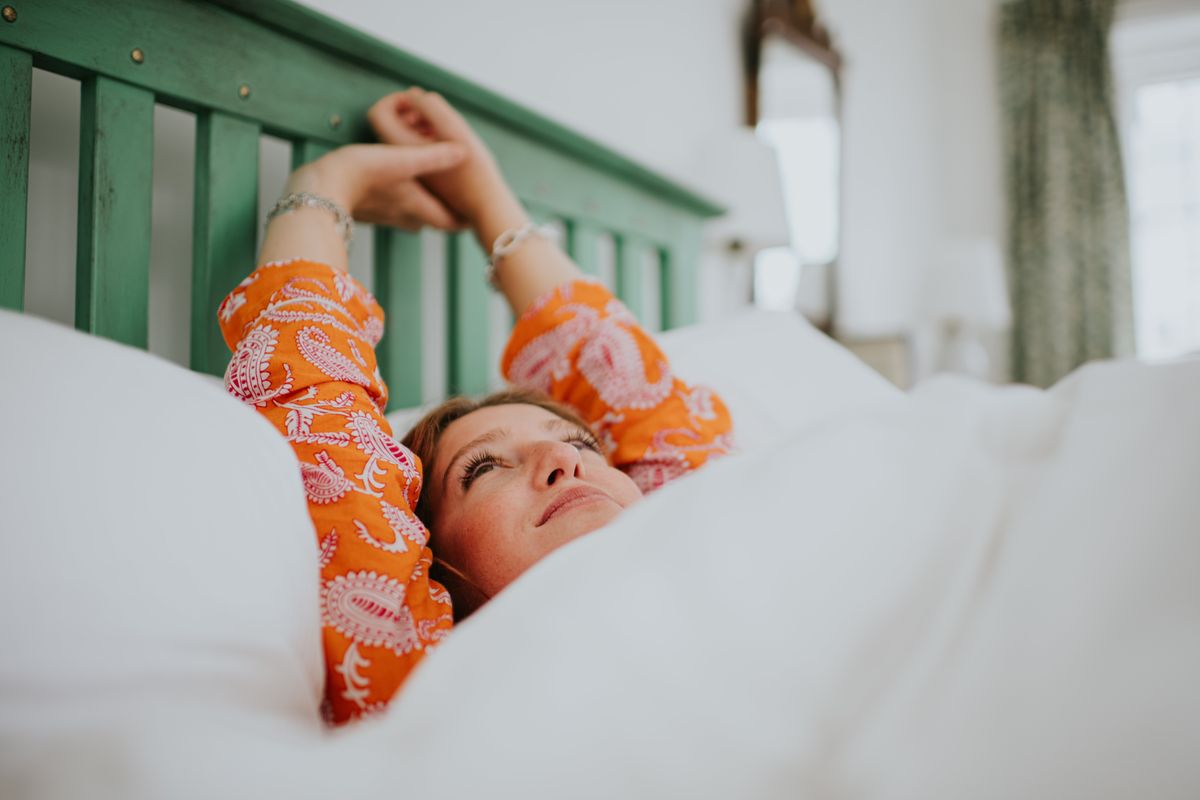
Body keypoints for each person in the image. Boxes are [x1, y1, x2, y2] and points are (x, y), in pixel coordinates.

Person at [217, 88, 734, 725]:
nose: (556, 457)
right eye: (482, 468)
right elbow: (318, 414)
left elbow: (636, 390)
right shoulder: (422, 675)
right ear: (435, 567)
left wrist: (487, 198)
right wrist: (325, 184)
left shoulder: (719, 538)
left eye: (581, 444)